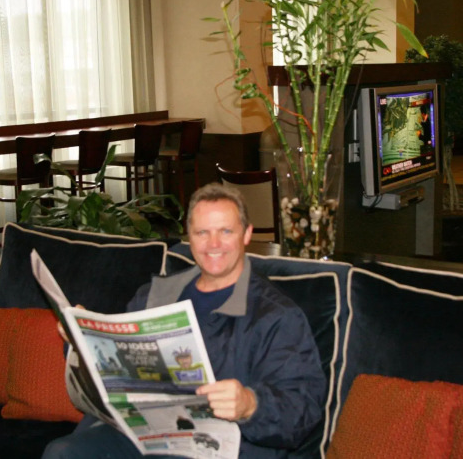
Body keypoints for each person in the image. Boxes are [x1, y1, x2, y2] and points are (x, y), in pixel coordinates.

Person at [43, 183, 326, 458]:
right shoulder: (154, 295)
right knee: (62, 452)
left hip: (220, 446)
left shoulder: (277, 316)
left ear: (247, 234)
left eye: (226, 231)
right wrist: (82, 340)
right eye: (202, 232)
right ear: (189, 236)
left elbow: (303, 410)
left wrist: (251, 404)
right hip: (142, 433)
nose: (213, 244)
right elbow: (115, 373)